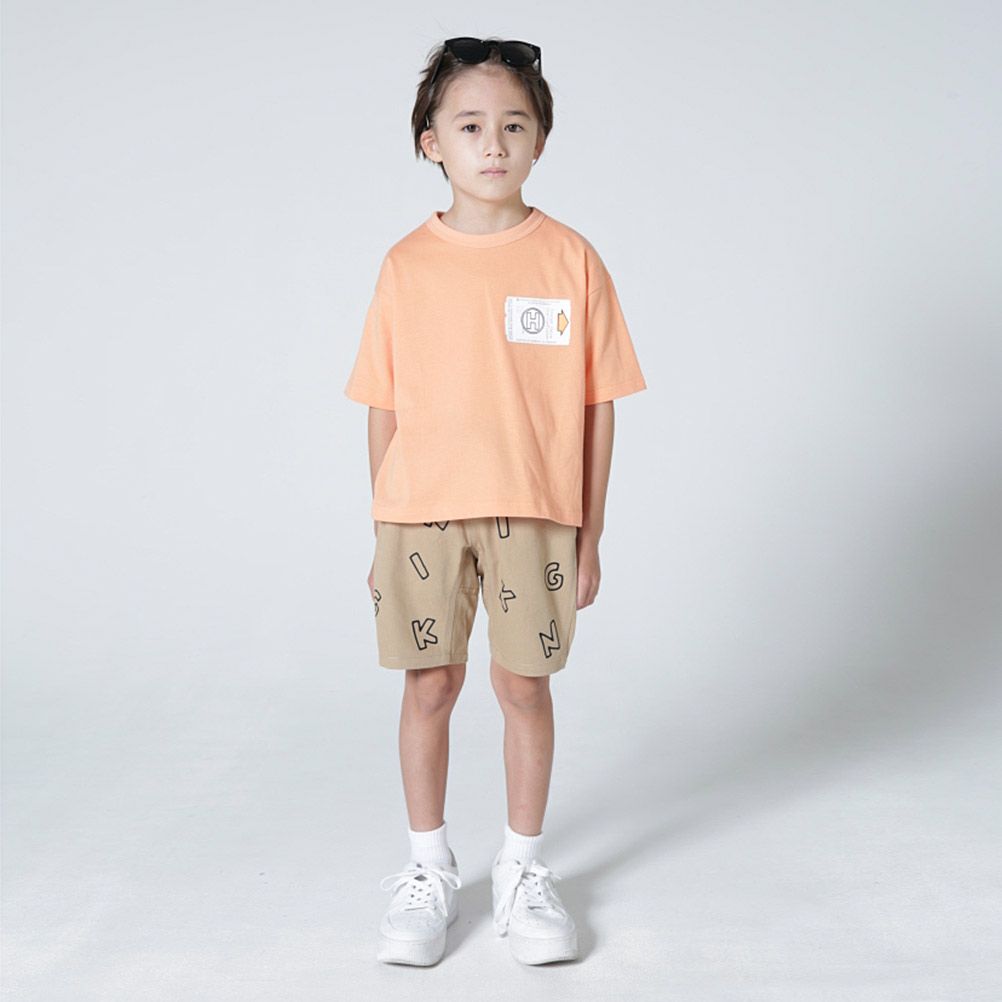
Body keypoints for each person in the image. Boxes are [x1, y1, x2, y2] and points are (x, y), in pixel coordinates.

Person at [344, 36, 647, 967]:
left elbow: (597, 406)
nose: (493, 143)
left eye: (514, 125)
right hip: (423, 512)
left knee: (524, 686)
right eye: (470, 125)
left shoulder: (571, 260)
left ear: (540, 141)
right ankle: (428, 868)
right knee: (428, 684)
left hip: (536, 512)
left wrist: (589, 533)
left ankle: (521, 868)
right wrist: (384, 525)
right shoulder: (406, 265)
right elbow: (383, 404)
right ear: (431, 142)